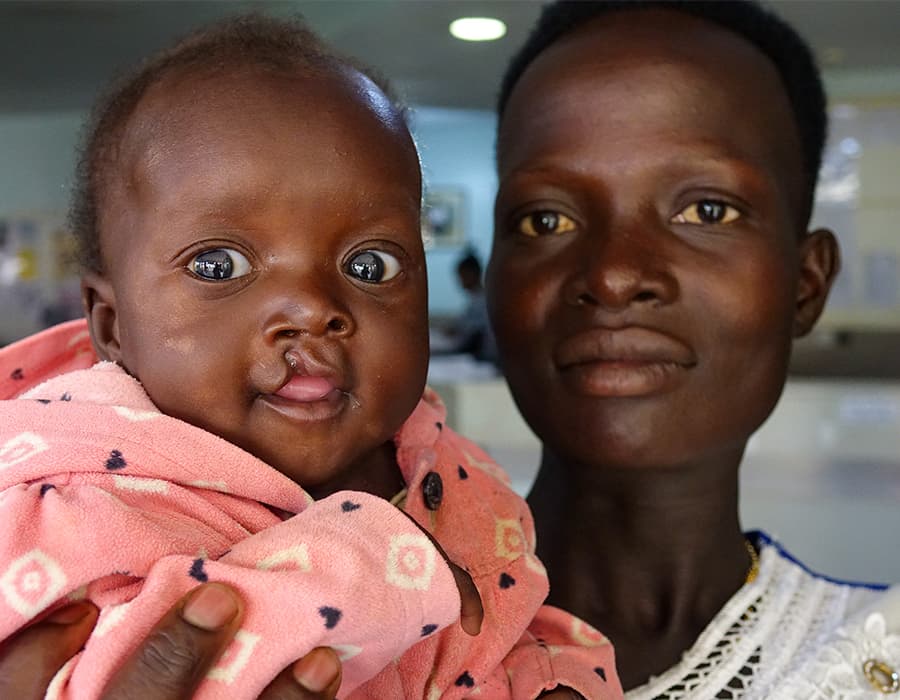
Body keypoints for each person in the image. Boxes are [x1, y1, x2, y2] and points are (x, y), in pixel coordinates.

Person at [0, 15, 617, 700]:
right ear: (112, 326)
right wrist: (370, 561)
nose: (310, 306)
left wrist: (553, 678)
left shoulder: (439, 458)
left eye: (371, 263)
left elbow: (513, 619)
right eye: (218, 263)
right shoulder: (70, 495)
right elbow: (115, 665)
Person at [486, 1, 899, 697]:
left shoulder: (873, 663)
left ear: (804, 285)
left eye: (707, 211)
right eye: (546, 218)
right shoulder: (342, 637)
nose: (614, 275)